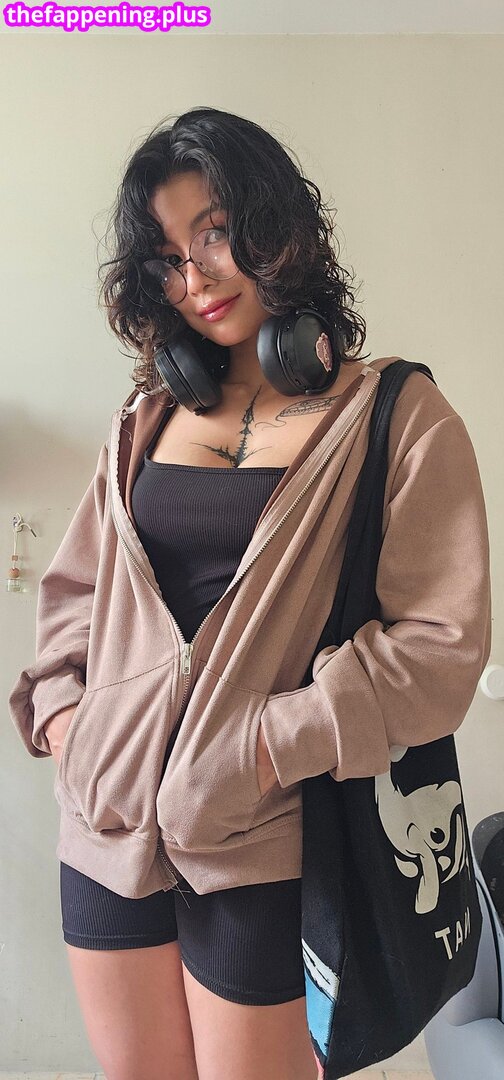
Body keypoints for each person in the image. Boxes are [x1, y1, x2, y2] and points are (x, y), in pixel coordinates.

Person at [9, 106, 491, 1080]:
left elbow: (439, 648)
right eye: (167, 259)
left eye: (215, 233)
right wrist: (68, 723)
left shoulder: (397, 415)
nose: (195, 277)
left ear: (281, 226)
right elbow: (75, 596)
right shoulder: (143, 421)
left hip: (264, 839)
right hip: (106, 833)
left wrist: (266, 749)